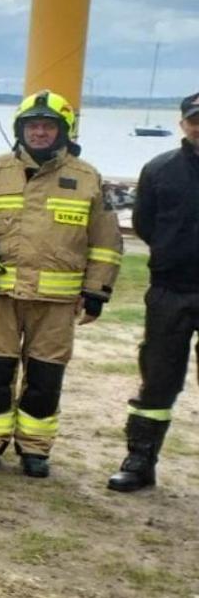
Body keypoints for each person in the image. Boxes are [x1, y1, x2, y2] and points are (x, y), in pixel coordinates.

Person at [0, 90, 121, 478]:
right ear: (20, 129)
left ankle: (35, 448)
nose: (40, 132)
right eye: (33, 125)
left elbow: (106, 244)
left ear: (63, 130)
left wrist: (96, 292)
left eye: (48, 126)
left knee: (45, 378)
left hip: (56, 303)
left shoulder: (88, 178)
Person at [108, 91, 199, 492]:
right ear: (183, 124)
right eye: (195, 119)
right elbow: (145, 224)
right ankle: (140, 460)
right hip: (170, 289)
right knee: (158, 378)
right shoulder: (159, 169)